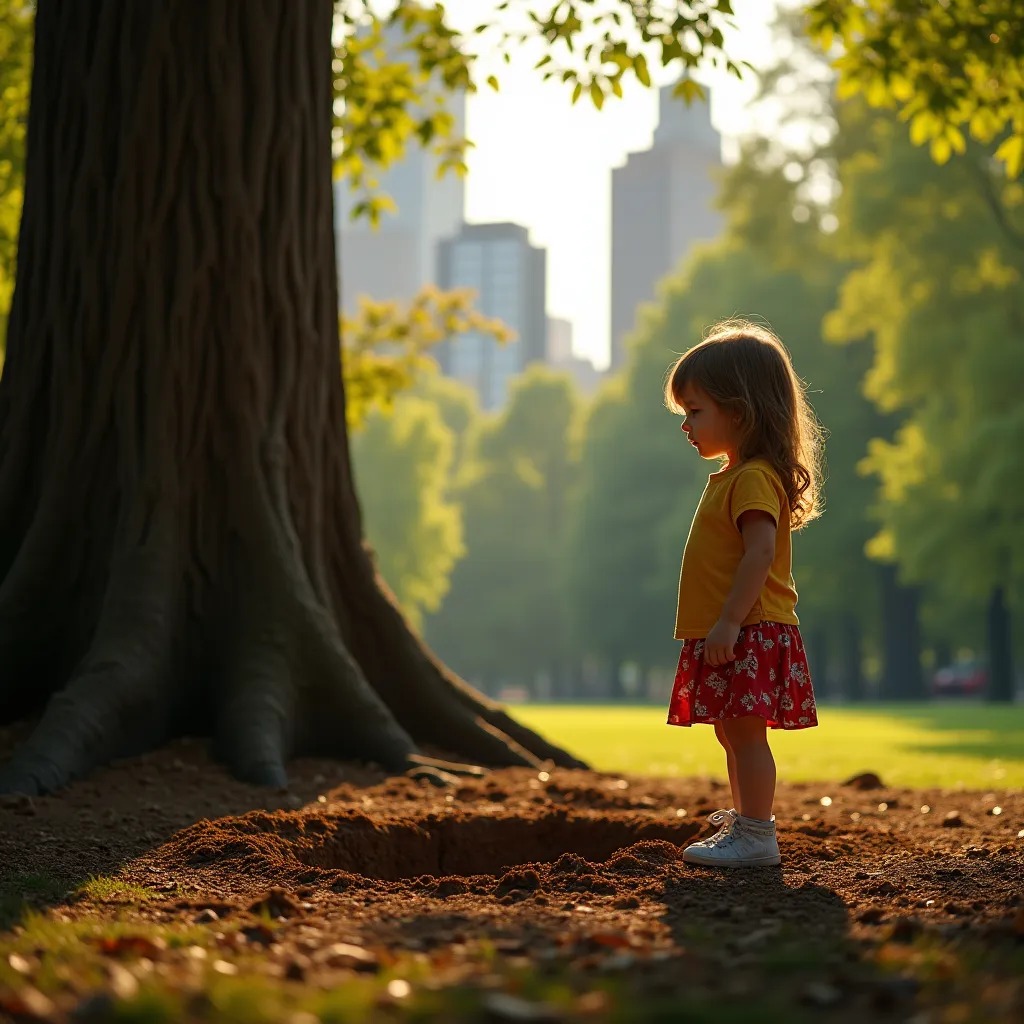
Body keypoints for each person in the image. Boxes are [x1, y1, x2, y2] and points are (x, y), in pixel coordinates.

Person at [663, 320, 825, 867]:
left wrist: (729, 622)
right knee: (732, 734)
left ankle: (758, 834)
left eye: (695, 410)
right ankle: (746, 826)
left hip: (748, 626)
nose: (686, 424)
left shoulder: (753, 478)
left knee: (747, 736)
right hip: (733, 627)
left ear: (740, 409)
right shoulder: (735, 477)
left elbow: (760, 553)